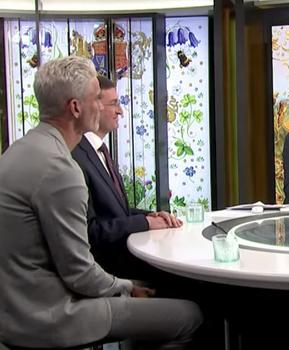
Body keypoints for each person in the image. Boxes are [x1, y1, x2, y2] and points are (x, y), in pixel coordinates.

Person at [0, 56, 202, 349]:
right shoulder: (60, 169)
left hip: (12, 312)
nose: (105, 106)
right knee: (190, 315)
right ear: (75, 107)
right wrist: (127, 287)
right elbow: (80, 273)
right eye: (97, 98)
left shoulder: (17, 150)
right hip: (50, 316)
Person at [72, 75, 181, 279]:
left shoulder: (99, 151)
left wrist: (151, 216)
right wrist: (144, 223)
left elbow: (116, 212)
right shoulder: (77, 157)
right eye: (114, 104)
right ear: (94, 106)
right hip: (111, 270)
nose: (120, 111)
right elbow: (91, 231)